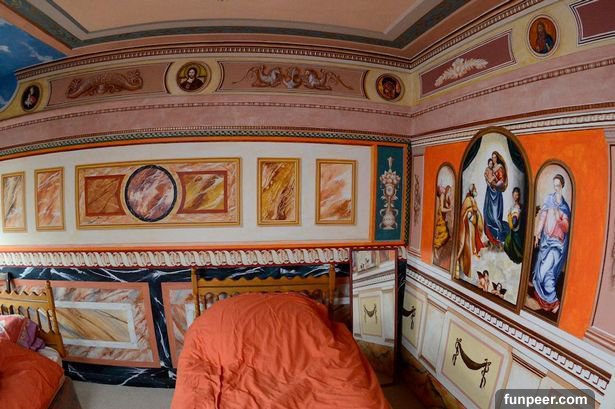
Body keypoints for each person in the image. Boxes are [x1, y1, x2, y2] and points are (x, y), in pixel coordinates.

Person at [531, 174, 571, 313]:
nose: (556, 188)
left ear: (562, 186)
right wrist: (537, 234)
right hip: (545, 242)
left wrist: (558, 217)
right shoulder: (549, 199)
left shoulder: (564, 207)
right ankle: (546, 301)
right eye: (554, 185)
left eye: (558, 186)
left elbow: (566, 228)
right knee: (540, 272)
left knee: (547, 273)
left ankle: (554, 302)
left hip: (556, 245)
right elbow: (542, 217)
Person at [455, 184, 485, 278]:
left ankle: (473, 254)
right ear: (471, 191)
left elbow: (476, 211)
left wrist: (476, 214)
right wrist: (470, 212)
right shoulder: (468, 200)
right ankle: (466, 265)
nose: (476, 191)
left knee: (472, 242)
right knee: (468, 243)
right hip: (468, 226)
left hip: (473, 225)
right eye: (474, 189)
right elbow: (464, 213)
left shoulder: (473, 200)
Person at [483, 152, 508, 246]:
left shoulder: (500, 167)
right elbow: (487, 177)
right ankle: (492, 237)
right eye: (492, 158)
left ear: (497, 158)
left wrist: (495, 184)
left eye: (495, 157)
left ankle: (500, 236)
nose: (493, 159)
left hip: (496, 194)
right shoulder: (490, 168)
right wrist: (488, 181)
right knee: (487, 213)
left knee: (495, 216)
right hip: (489, 193)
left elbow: (502, 181)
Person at [433, 185, 453, 264]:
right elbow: (441, 209)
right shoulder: (442, 195)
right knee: (444, 235)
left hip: (441, 218)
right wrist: (450, 209)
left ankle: (436, 250)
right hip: (439, 218)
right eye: (450, 191)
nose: (450, 193)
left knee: (443, 235)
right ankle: (435, 249)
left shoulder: (444, 196)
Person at [504, 187, 524, 263]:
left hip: (517, 230)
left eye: (517, 195)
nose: (516, 197)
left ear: (519, 196)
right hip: (513, 230)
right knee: (507, 244)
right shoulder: (512, 206)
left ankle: (519, 258)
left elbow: (515, 221)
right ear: (512, 195)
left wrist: (513, 222)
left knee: (517, 245)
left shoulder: (518, 207)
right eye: (515, 195)